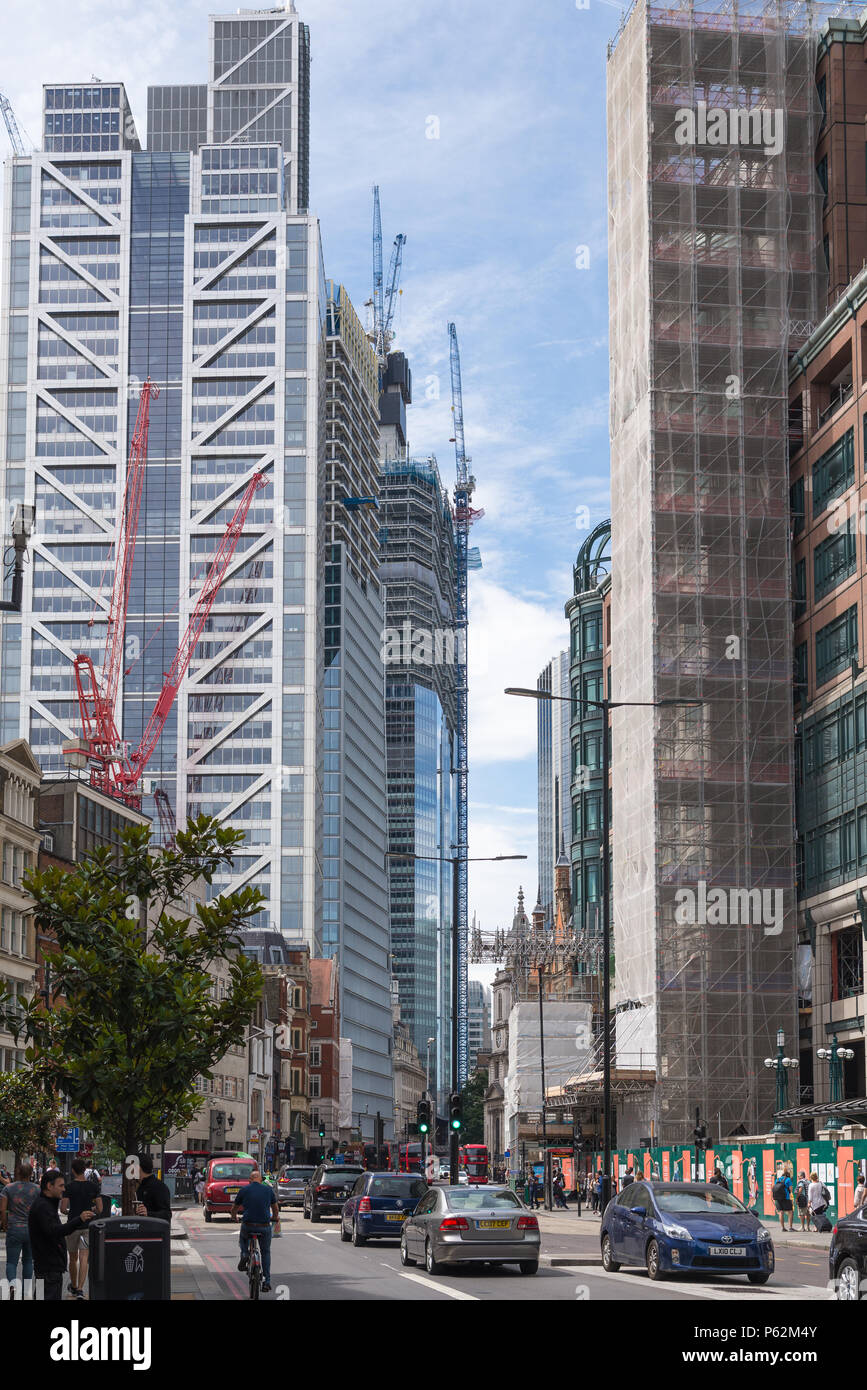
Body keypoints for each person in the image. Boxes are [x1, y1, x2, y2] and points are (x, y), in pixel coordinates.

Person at [28, 1170, 95, 1301]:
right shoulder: (43, 1207)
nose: (63, 1189)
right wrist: (78, 1220)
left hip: (47, 1267)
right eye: (61, 1185)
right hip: (48, 1268)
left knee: (42, 1295)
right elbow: (55, 1231)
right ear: (49, 1186)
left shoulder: (46, 1204)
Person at [233, 1167, 280, 1294]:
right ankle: (267, 1281)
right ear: (260, 1179)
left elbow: (235, 1207)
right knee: (265, 1252)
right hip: (264, 1226)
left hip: (248, 1224)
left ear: (250, 1180)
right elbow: (275, 1208)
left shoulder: (244, 1190)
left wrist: (234, 1217)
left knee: (243, 1239)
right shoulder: (268, 1190)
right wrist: (275, 1218)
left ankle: (244, 1254)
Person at [61, 1157, 103, 1299]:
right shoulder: (93, 1187)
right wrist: (91, 1210)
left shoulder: (69, 1187)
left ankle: (73, 1286)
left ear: (73, 1170)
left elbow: (63, 1208)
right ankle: (80, 1289)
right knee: (84, 1257)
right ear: (85, 1170)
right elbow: (100, 1208)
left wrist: (70, 1212)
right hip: (88, 1226)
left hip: (73, 1225)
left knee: (73, 1258)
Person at [0, 1161, 39, 1298]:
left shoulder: (8, 1188)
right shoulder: (37, 1189)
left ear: (18, 1173)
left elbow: (2, 1209)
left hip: (14, 1229)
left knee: (11, 1262)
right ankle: (26, 1292)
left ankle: (12, 1286)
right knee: (28, 1261)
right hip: (31, 1230)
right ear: (31, 1174)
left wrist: (4, 1224)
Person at [135, 1154, 172, 1223]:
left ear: (138, 1168)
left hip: (152, 1231)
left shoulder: (159, 1187)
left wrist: (148, 1214)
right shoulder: (139, 1186)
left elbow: (167, 1214)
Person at [773, 1164, 794, 1232]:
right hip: (786, 1198)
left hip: (778, 1198)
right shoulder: (788, 1179)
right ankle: (790, 1227)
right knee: (790, 1212)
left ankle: (783, 1227)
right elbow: (790, 1190)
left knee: (781, 1212)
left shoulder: (777, 1179)